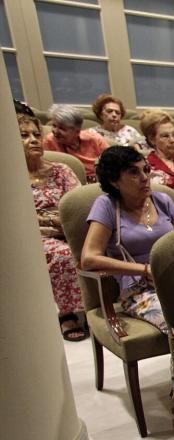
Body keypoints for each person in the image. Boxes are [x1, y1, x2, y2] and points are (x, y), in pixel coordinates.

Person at [80, 146, 174, 438]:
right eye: (134, 172)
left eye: (146, 169)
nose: (145, 177)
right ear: (115, 180)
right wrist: (142, 270)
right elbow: (89, 258)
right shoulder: (107, 206)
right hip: (138, 290)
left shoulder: (162, 200)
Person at [21, 113, 86, 341]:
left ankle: (102, 305)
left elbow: (77, 203)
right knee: (62, 254)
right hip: (33, 236)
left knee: (101, 241)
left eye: (37, 134)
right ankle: (67, 314)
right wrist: (49, 220)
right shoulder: (12, 177)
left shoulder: (61, 170)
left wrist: (62, 220)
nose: (33, 140)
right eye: (24, 135)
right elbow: (19, 214)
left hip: (69, 228)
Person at [42, 104, 109, 183]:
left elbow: (111, 164)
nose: (55, 131)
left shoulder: (95, 140)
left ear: (77, 131)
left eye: (62, 128)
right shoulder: (49, 141)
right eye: (54, 126)